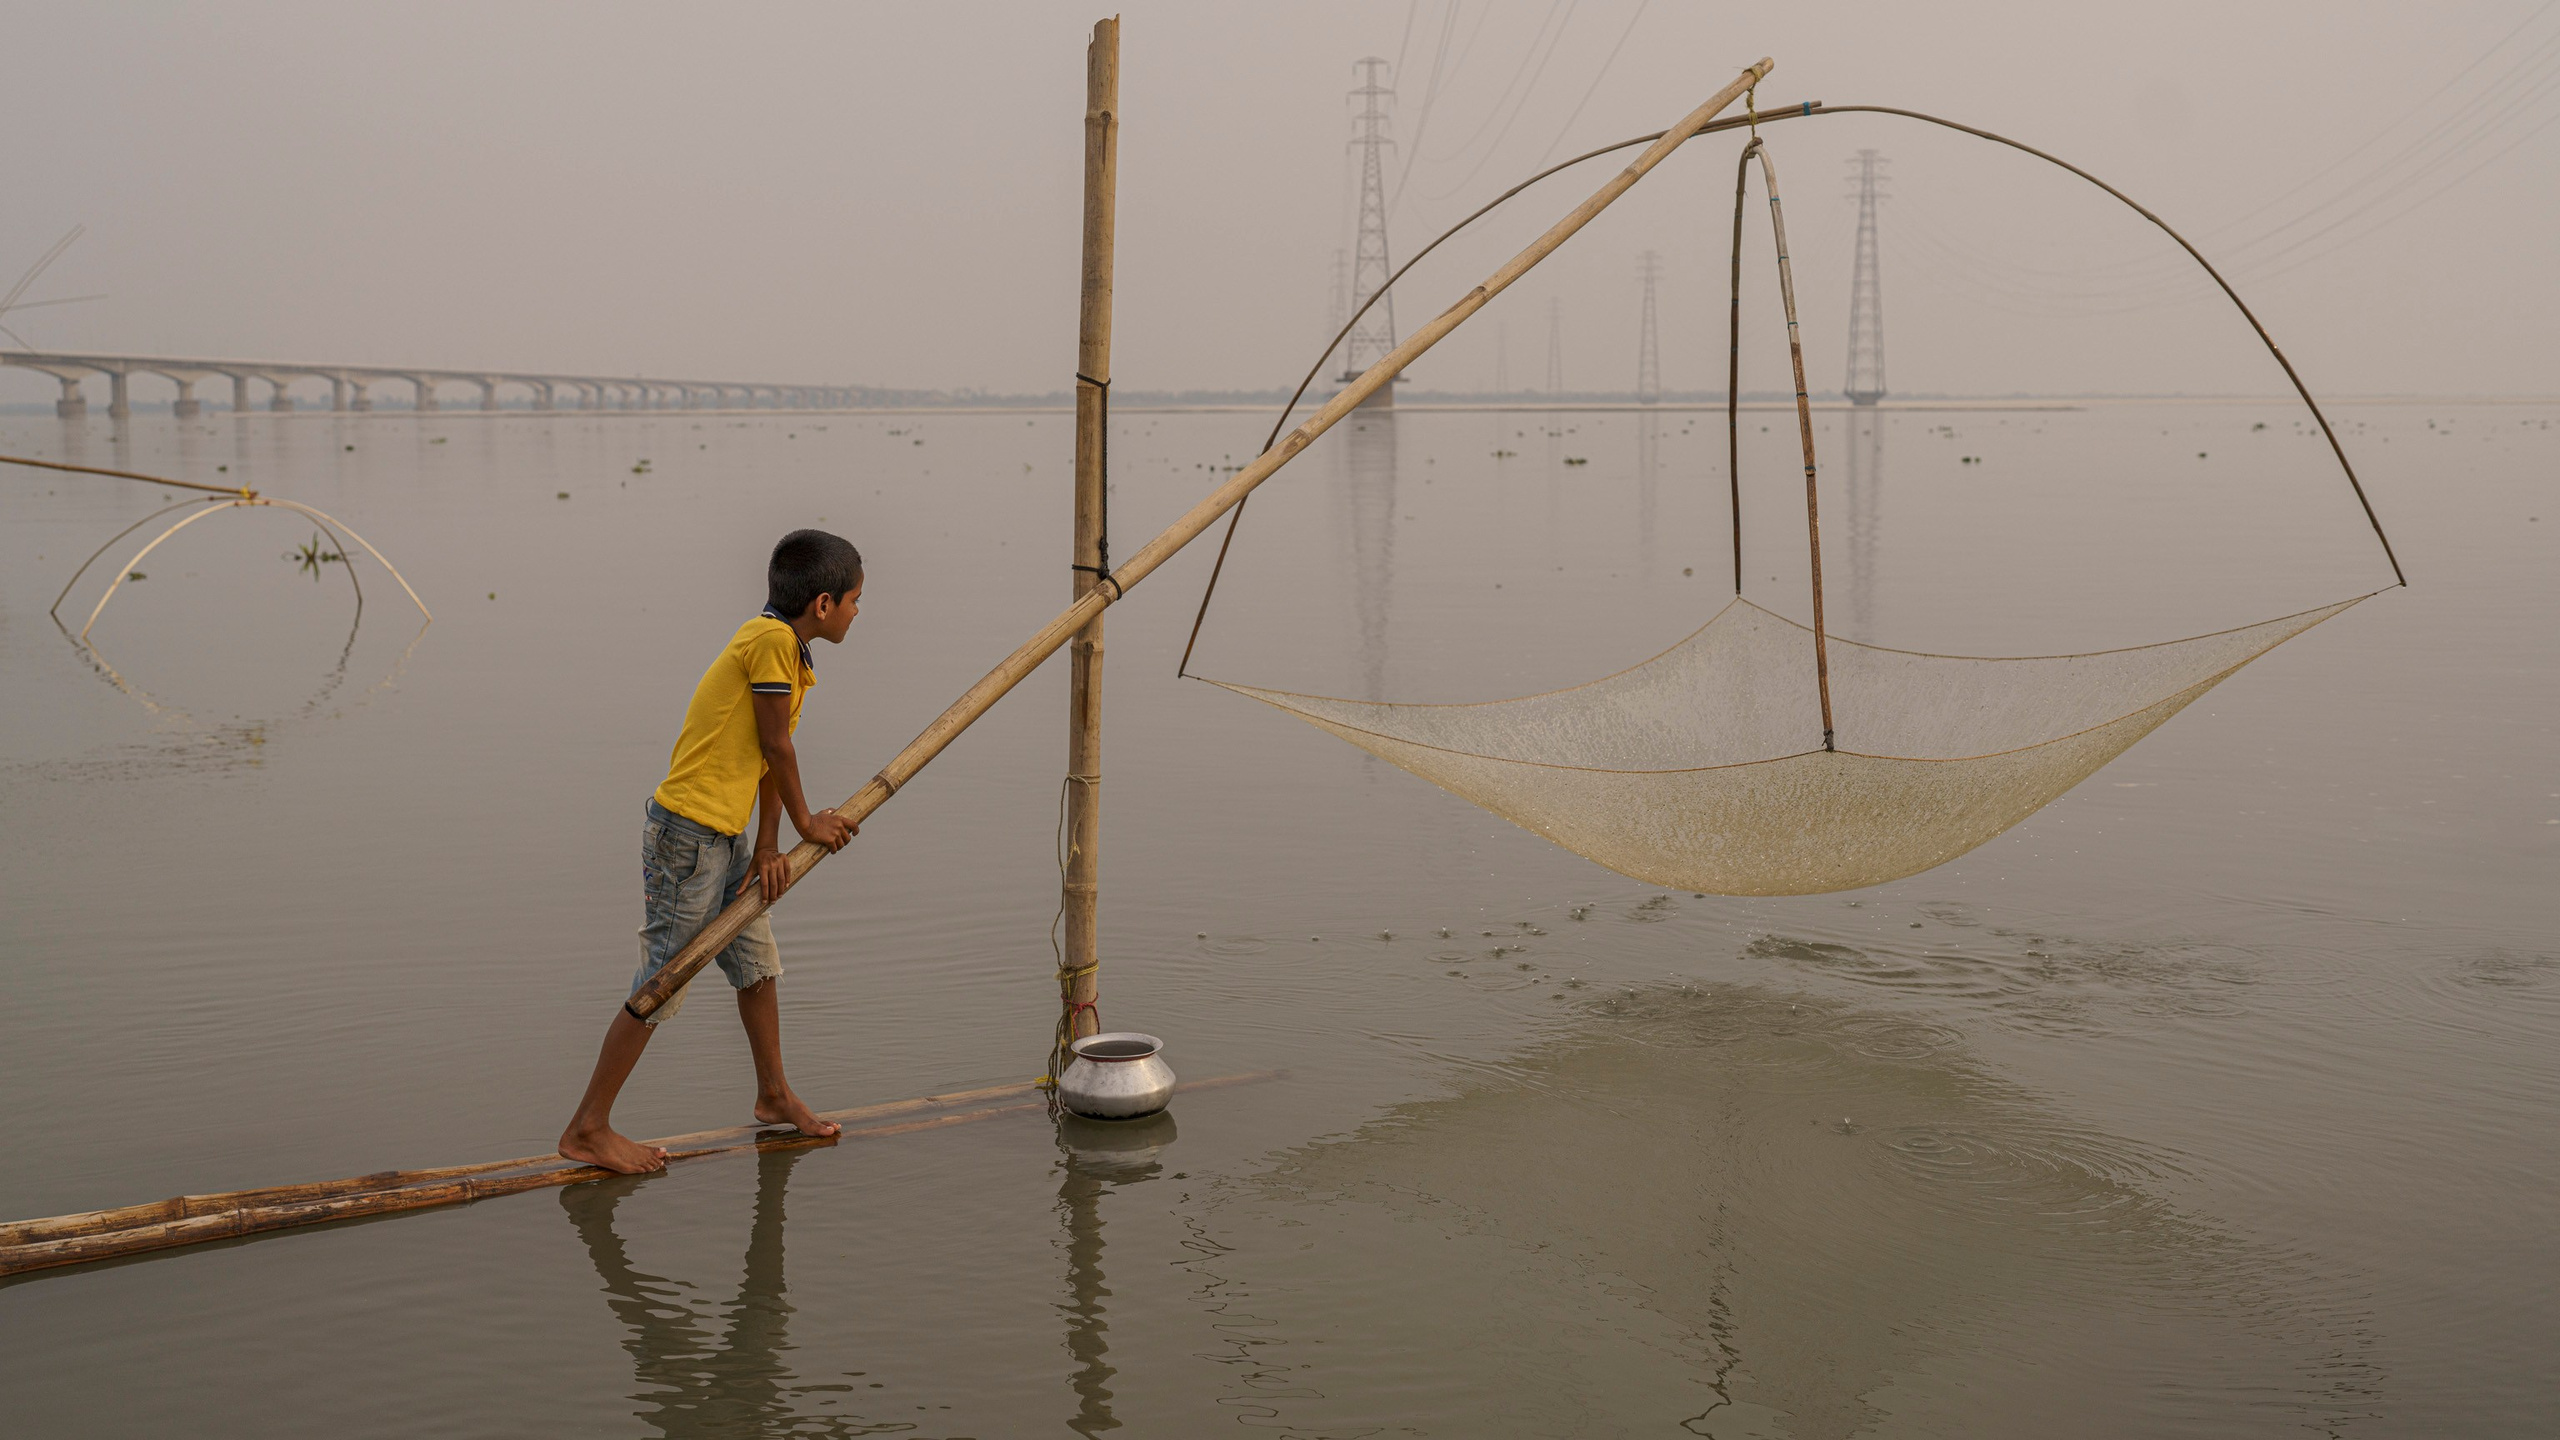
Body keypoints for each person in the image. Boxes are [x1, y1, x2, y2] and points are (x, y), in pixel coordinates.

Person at [558, 529, 863, 1174]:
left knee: (756, 963)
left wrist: (771, 847)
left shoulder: (791, 650)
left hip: (725, 837)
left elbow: (763, 758)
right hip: (687, 836)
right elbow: (778, 748)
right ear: (825, 603)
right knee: (663, 980)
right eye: (857, 600)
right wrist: (811, 822)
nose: (861, 613)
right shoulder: (773, 642)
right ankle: (587, 1128)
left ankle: (774, 1095)